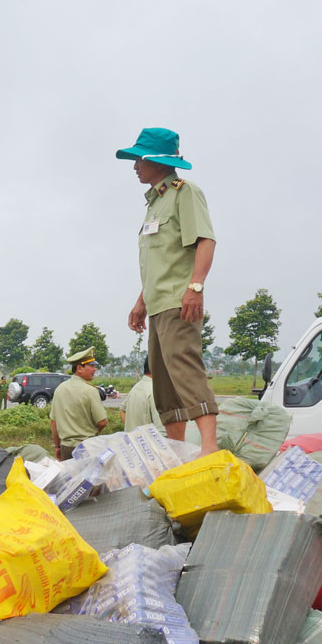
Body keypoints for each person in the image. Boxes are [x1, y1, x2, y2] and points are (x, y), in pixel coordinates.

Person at [119, 127, 220, 455]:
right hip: (158, 303)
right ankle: (177, 451)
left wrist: (195, 287)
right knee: (164, 384)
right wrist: (140, 302)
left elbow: (205, 240)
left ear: (157, 162)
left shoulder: (184, 193)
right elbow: (158, 261)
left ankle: (208, 447)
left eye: (139, 160)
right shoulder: (154, 205)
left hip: (180, 302)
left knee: (185, 369)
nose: (135, 166)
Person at [50, 348, 110, 460]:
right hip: (87, 448)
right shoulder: (90, 391)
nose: (95, 369)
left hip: (66, 448)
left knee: (69, 477)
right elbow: (102, 422)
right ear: (79, 368)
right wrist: (91, 433)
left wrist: (57, 447)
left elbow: (54, 422)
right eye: (91, 365)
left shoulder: (60, 389)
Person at [121, 357, 164, 432]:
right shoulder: (156, 392)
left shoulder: (136, 388)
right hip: (150, 443)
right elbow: (163, 432)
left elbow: (122, 409)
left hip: (133, 441)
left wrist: (133, 430)